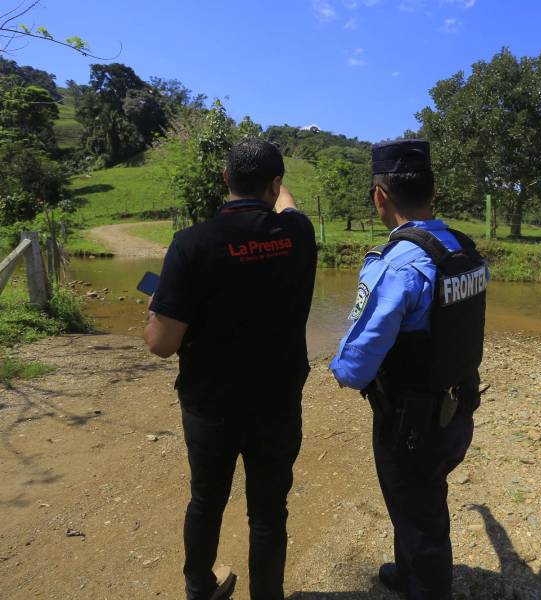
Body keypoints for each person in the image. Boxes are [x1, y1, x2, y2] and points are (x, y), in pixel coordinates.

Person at [143, 138, 317, 600]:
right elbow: (289, 204)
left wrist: (157, 307)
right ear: (275, 183)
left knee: (206, 499)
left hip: (210, 406)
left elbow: (161, 344)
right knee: (268, 514)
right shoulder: (297, 236)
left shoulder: (191, 244)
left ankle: (200, 586)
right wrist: (277, 185)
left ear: (224, 180)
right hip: (276, 405)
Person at [330, 139, 488, 599]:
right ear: (432, 192)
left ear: (380, 196)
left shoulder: (396, 266)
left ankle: (425, 586)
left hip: (411, 426)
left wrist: (336, 367)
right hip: (458, 411)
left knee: (421, 519)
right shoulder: (465, 251)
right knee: (419, 505)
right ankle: (408, 572)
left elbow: (355, 368)